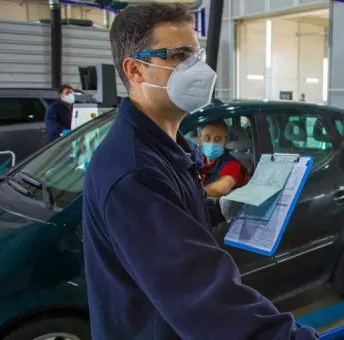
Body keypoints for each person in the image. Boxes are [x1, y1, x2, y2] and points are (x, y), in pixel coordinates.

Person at [81, 3, 318, 340]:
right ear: (135, 70)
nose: (198, 68)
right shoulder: (134, 174)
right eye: (178, 55)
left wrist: (219, 208)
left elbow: (175, 211)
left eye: (196, 54)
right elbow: (207, 300)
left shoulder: (171, 145)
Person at [198, 120, 247, 197]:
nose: (212, 143)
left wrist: (192, 195)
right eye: (207, 138)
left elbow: (222, 187)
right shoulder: (194, 160)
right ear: (200, 140)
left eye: (218, 139)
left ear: (225, 141)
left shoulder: (233, 164)